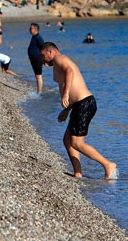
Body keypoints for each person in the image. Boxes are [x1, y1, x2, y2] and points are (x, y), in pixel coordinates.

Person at [40, 42, 117, 179]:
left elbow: (69, 72)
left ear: (50, 52)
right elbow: (72, 86)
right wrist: (67, 110)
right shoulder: (57, 63)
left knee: (77, 142)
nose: (42, 60)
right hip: (78, 104)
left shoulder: (59, 58)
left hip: (84, 103)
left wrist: (65, 95)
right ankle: (78, 173)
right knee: (68, 140)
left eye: (43, 55)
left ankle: (108, 165)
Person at [27, 22, 46, 94]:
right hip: (34, 59)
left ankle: (39, 92)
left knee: (38, 75)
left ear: (35, 29)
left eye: (31, 28)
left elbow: (43, 48)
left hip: (37, 59)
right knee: (37, 75)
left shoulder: (38, 37)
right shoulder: (34, 37)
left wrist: (44, 60)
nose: (29, 29)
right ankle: (39, 91)